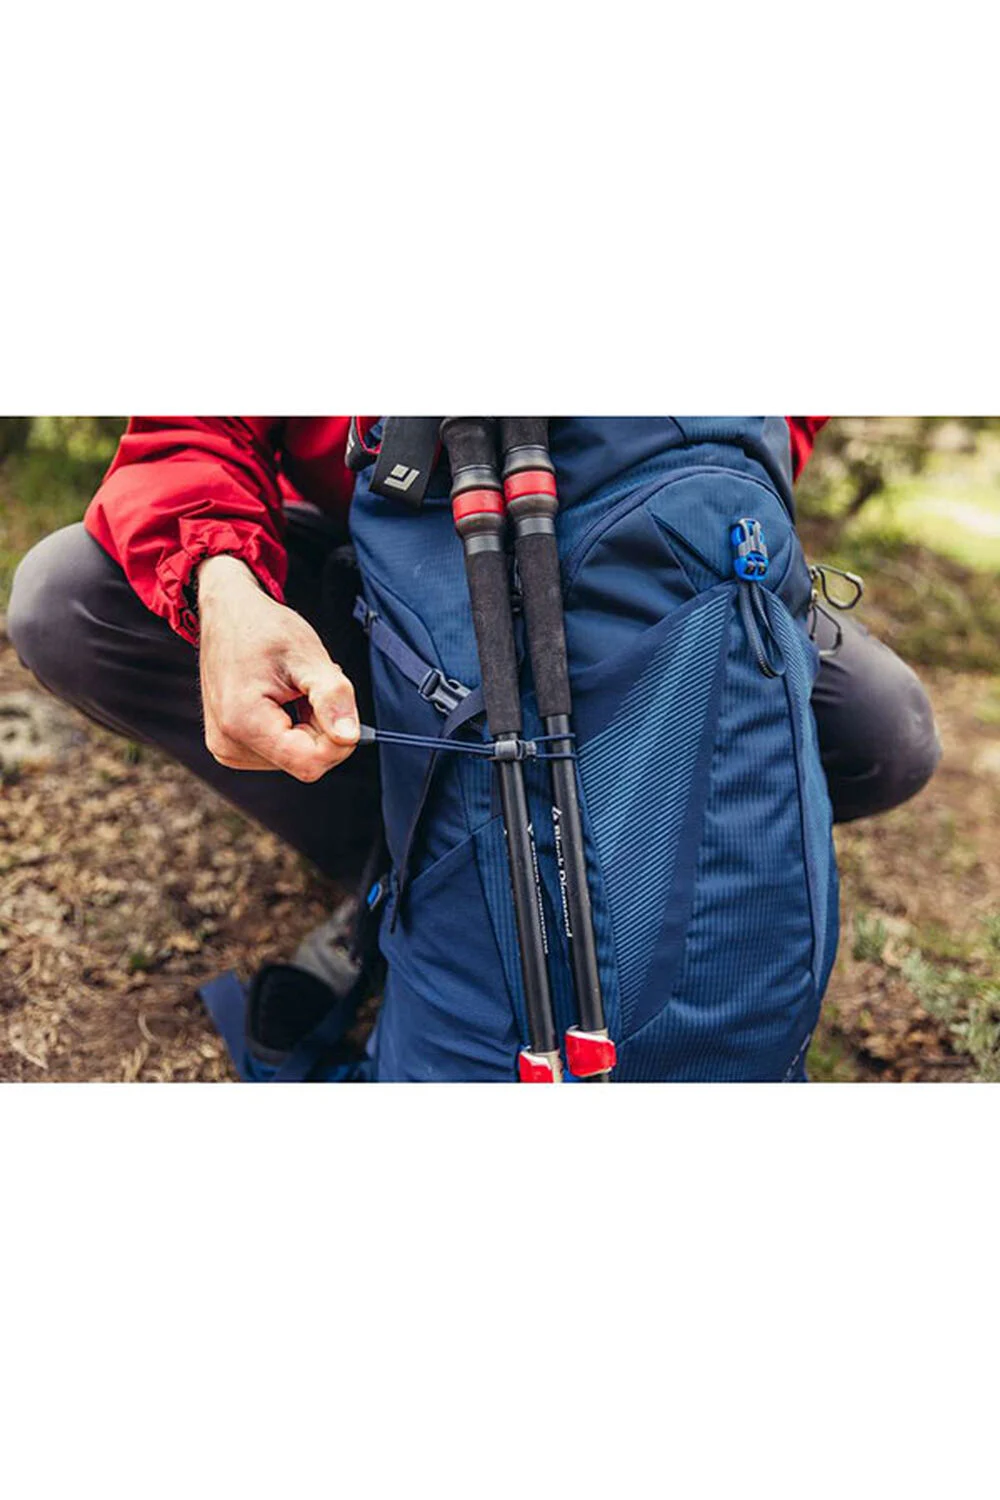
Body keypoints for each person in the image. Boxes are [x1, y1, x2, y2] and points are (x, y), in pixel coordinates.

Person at [8, 414, 941, 924]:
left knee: (880, 728)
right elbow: (196, 424)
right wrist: (224, 581)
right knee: (69, 597)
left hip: (644, 552)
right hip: (373, 552)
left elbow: (770, 421)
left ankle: (632, 864)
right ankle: (425, 883)